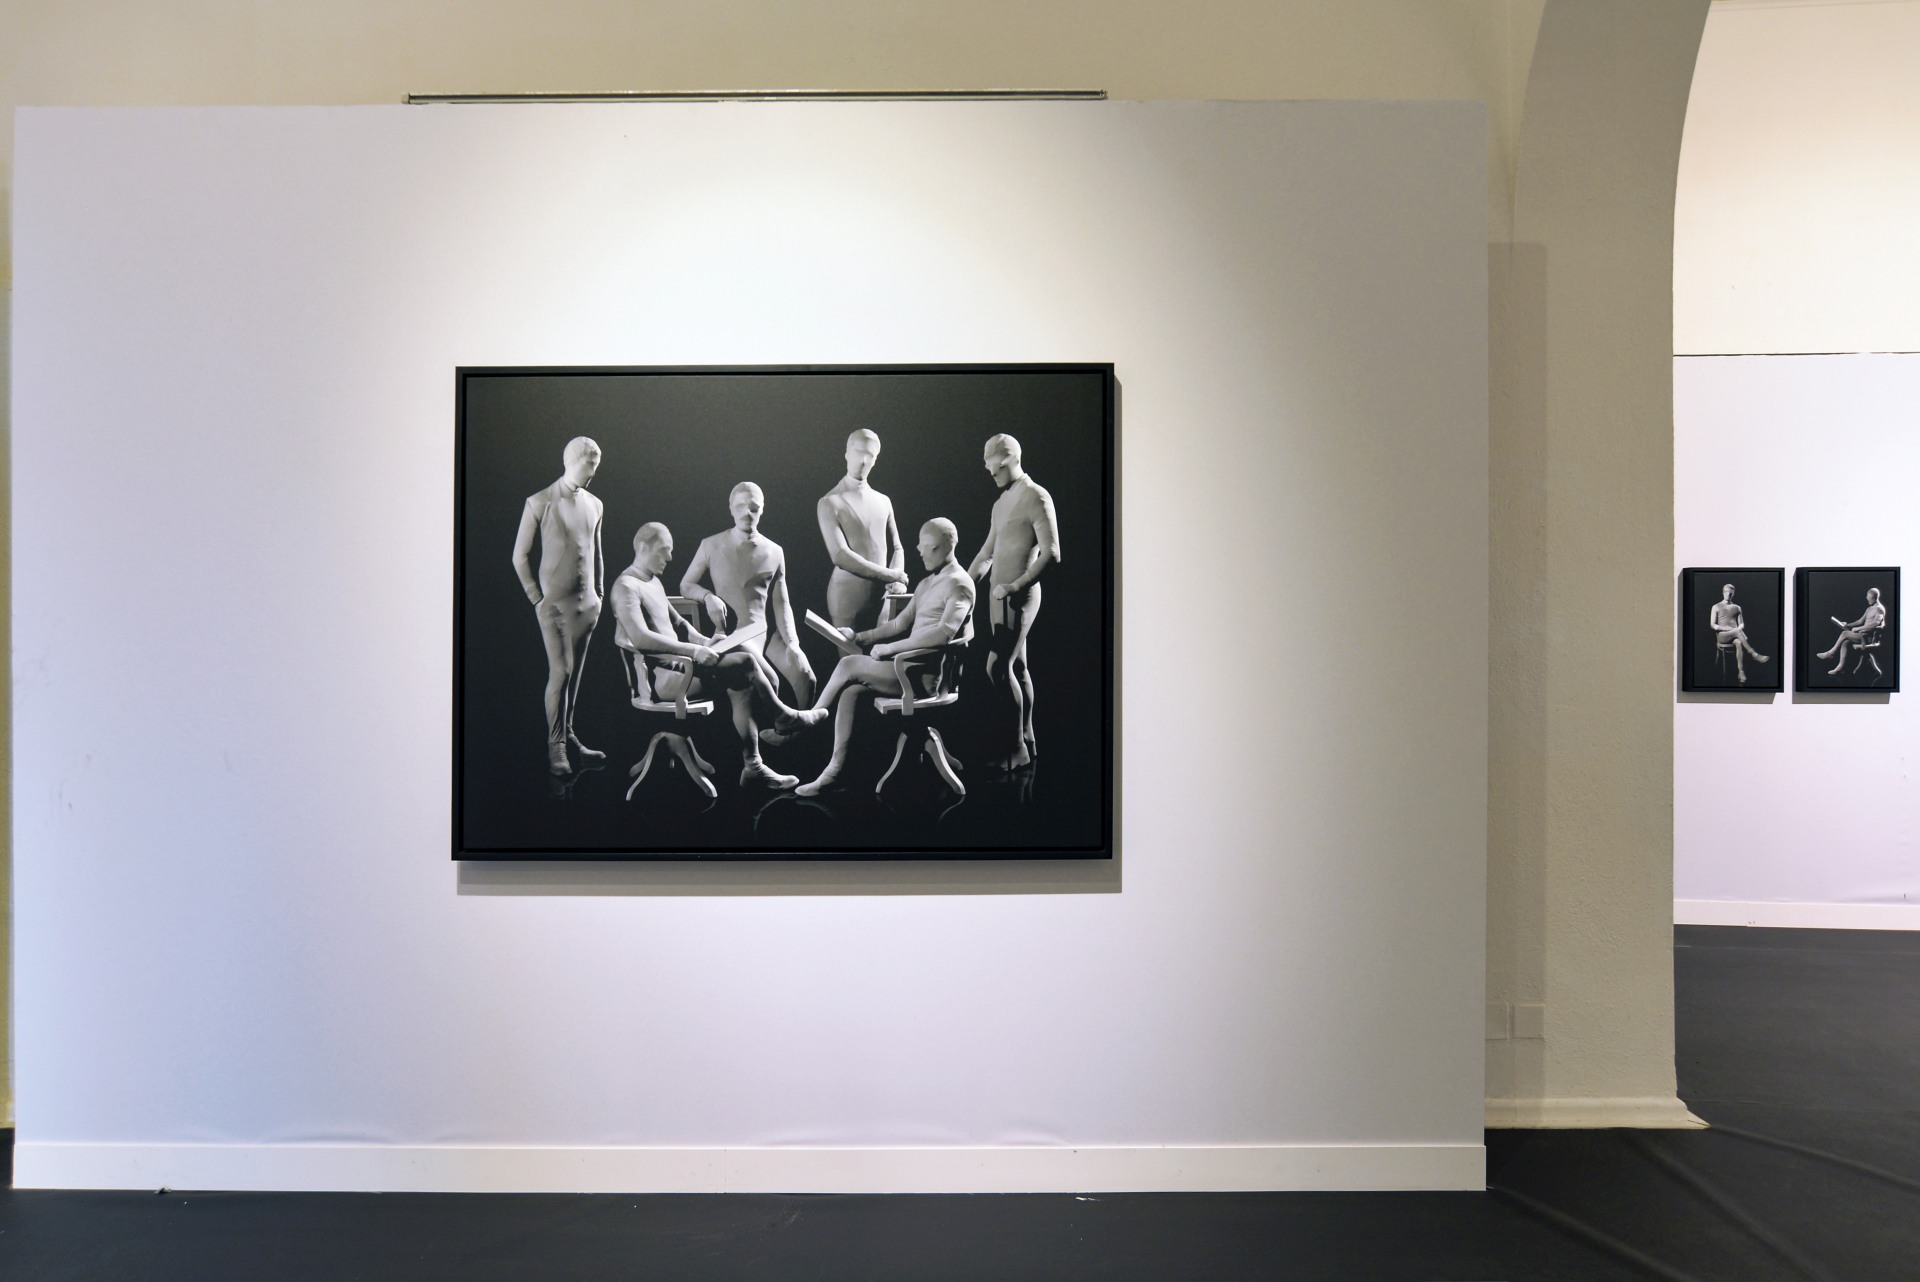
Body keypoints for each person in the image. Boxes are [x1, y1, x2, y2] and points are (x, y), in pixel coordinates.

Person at [608, 523, 817, 785]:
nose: (670, 557)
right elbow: (641, 638)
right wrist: (695, 651)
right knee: (745, 663)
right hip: (664, 681)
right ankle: (780, 719)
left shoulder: (653, 581)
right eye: (664, 550)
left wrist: (706, 641)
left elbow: (680, 625)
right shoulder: (626, 586)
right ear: (643, 547)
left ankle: (755, 764)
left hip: (683, 667)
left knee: (741, 665)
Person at [790, 519, 976, 797]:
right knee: (850, 693)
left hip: (923, 678)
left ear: (943, 548)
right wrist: (860, 637)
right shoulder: (928, 582)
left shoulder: (959, 584)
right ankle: (833, 773)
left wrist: (889, 649)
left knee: (848, 664)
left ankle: (813, 716)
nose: (919, 551)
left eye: (926, 546)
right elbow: (899, 623)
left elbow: (942, 635)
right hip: (907, 669)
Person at [679, 482, 816, 788]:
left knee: (791, 678)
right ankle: (777, 731)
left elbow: (782, 603)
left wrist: (793, 644)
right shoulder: (711, 544)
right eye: (741, 506)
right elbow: (686, 584)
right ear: (730, 508)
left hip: (757, 636)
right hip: (727, 637)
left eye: (754, 507)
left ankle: (757, 764)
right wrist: (707, 597)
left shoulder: (774, 551)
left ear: (762, 509)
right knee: (769, 680)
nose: (747, 513)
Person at [511, 436, 606, 776]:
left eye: (596, 467)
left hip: (587, 606)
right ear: (571, 462)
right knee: (561, 672)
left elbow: (595, 551)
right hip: (554, 606)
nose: (593, 473)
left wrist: (599, 593)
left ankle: (568, 734)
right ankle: (556, 745)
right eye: (589, 466)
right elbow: (519, 556)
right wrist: (536, 597)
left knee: (575, 675)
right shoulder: (540, 501)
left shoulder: (595, 504)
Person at [966, 433, 1059, 769]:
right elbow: (986, 553)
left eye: (996, 466)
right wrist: (962, 584)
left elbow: (1051, 553)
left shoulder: (1036, 496)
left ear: (1010, 460)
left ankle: (1016, 747)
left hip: (1019, 597)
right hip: (998, 598)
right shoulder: (1001, 503)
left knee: (997, 667)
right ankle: (1028, 737)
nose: (991, 472)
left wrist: (1016, 586)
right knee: (1017, 667)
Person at [817, 429, 909, 632]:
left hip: (883, 596)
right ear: (847, 453)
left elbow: (897, 547)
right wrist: (891, 576)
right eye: (859, 452)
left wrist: (897, 581)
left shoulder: (883, 501)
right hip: (847, 598)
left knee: (877, 650)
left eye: (870, 455)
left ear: (875, 460)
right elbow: (840, 556)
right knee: (849, 652)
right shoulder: (830, 502)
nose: (864, 460)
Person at [1818, 587, 1888, 677]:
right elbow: (1860, 621)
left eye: (1869, 597)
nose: (1867, 598)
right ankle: (1840, 668)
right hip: (1862, 635)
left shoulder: (1879, 609)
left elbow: (1875, 624)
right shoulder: (1869, 609)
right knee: (1845, 642)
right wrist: (1848, 625)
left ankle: (1830, 653)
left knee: (1844, 634)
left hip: (1868, 638)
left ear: (1874, 597)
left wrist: (1858, 629)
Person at [1708, 583, 1769, 684]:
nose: (1728, 594)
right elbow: (1712, 625)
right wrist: (1724, 628)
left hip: (1735, 635)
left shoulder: (1737, 607)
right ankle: (1754, 654)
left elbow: (1741, 624)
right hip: (1723, 636)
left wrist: (1738, 628)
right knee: (1737, 632)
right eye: (1726, 592)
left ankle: (1741, 672)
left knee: (1739, 642)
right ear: (1723, 593)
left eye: (1730, 593)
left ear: (1733, 594)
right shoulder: (1716, 606)